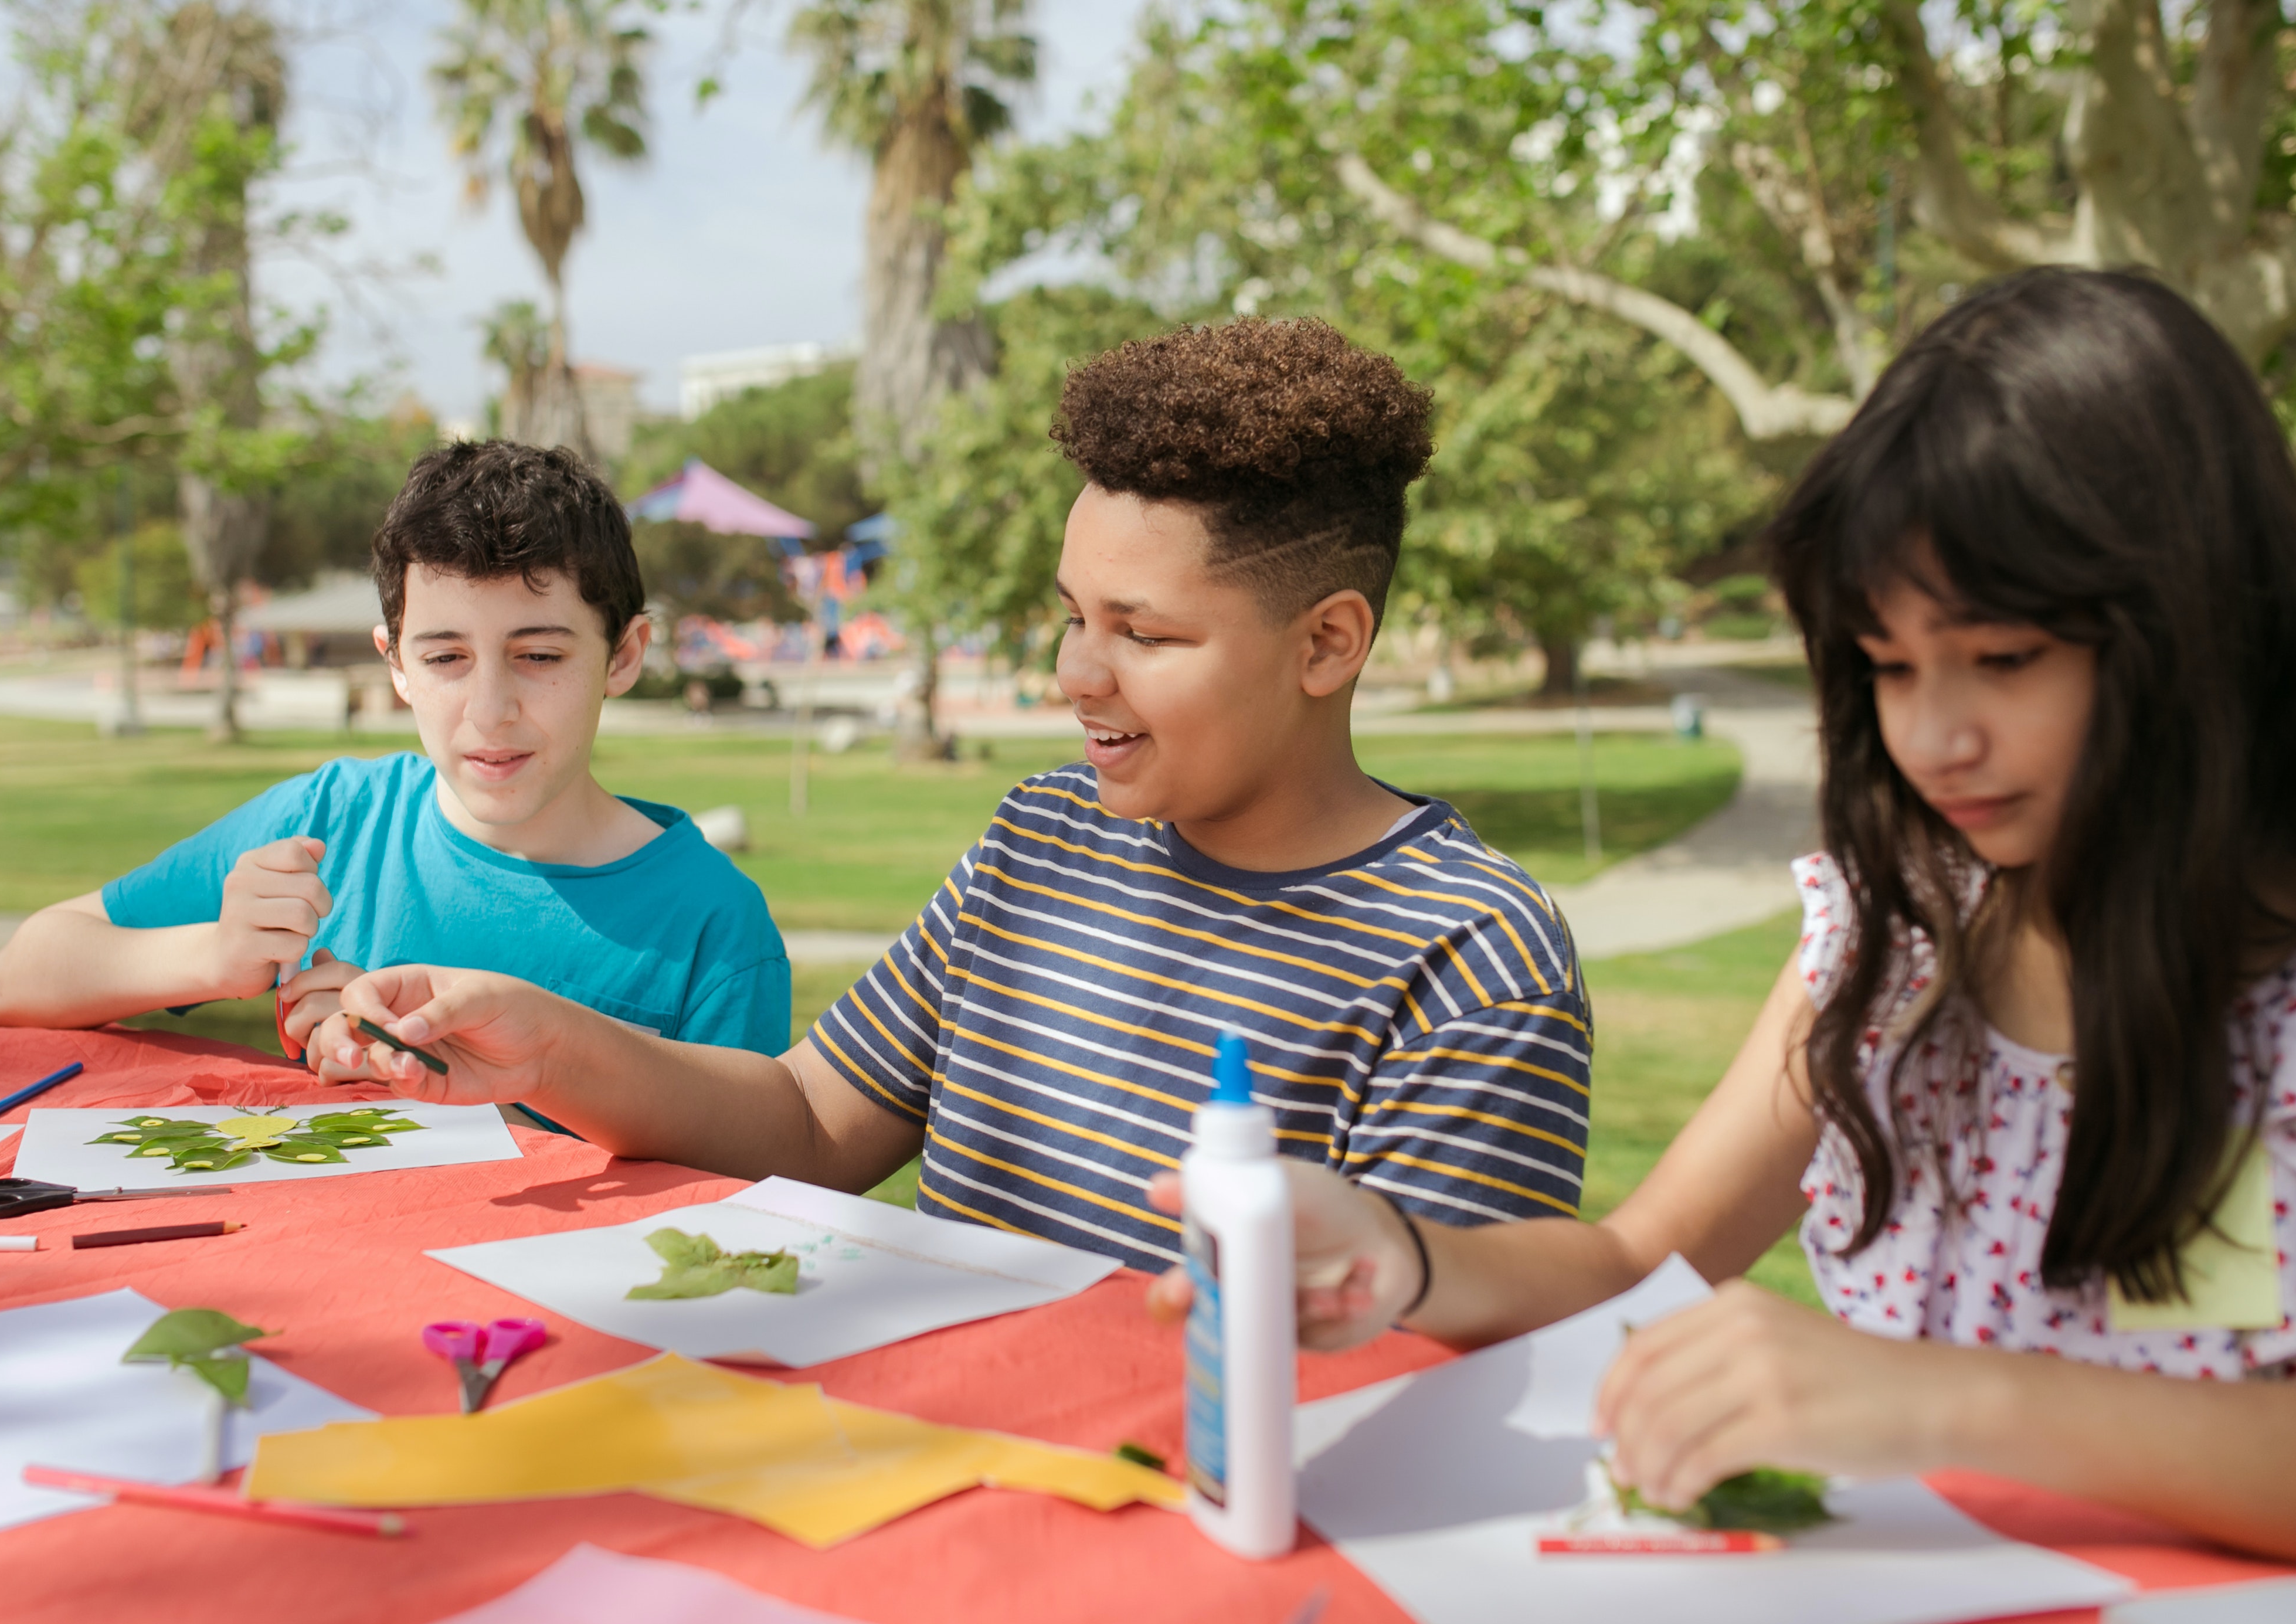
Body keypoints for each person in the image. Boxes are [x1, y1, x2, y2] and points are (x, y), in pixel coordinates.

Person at [1148, 270, 2296, 1562]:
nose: (1935, 737)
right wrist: (1403, 1256)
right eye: (1887, 666)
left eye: (2003, 659)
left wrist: (1950, 1403)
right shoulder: (1899, 942)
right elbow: (1639, 1263)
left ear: (2195, 628)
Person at [307, 318, 1592, 1272]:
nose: (1072, 672)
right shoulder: (1041, 841)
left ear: (1327, 644)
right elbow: (812, 1123)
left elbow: (1422, 1358)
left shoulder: (1469, 956)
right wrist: (554, 1041)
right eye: (1071, 614)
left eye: (1141, 633)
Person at [0, 441, 790, 1058]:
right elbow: (10, 980)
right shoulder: (328, 820)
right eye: (444, 659)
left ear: (623, 655)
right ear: (395, 664)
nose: (490, 710)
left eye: (540, 656)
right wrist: (215, 956)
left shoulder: (713, 928)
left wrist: (423, 1082)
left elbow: (729, 1209)